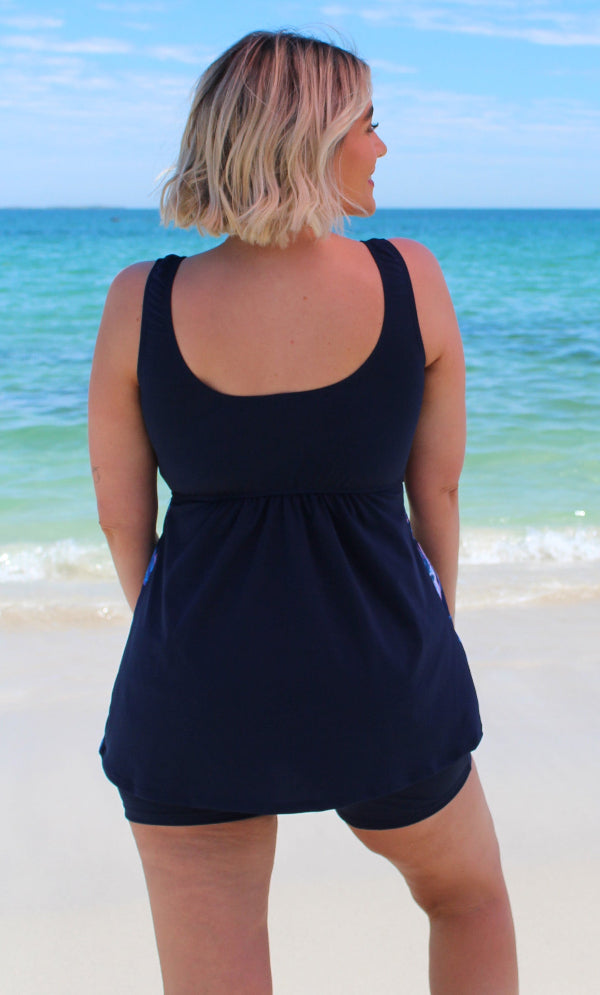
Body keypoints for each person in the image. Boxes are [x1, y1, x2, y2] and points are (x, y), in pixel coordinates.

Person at [89, 29, 518, 994]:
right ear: (311, 137)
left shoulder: (140, 300)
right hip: (381, 676)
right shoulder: (411, 278)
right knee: (467, 898)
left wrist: (179, 639)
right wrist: (423, 637)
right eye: (369, 123)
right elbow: (435, 493)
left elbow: (126, 525)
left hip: (194, 693)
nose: (382, 147)